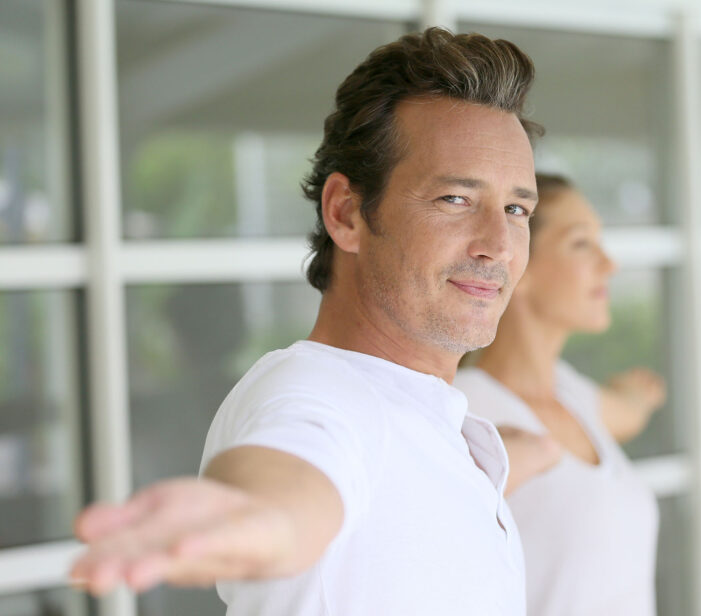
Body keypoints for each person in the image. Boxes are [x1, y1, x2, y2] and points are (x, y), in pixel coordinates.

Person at [70, 27, 551, 615]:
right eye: (455, 199)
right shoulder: (315, 392)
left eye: (516, 209)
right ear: (346, 213)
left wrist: (522, 456)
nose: (498, 244)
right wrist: (261, 518)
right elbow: (294, 472)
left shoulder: (425, 413)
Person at [454, 173, 664, 616]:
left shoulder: (574, 394)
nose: (609, 264)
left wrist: (637, 394)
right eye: (581, 244)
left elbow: (629, 410)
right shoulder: (467, 413)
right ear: (519, 264)